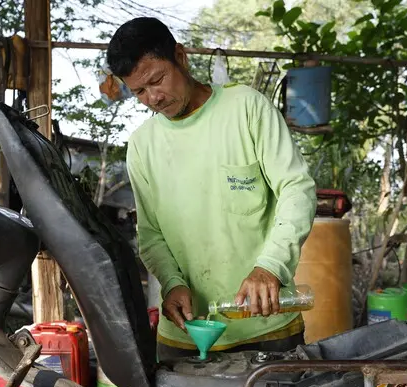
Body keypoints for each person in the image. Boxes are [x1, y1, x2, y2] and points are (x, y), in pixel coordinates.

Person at [107, 17, 317, 361]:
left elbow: (297, 190)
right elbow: (151, 234)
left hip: (265, 324)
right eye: (140, 91)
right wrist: (172, 283)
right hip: (184, 334)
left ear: (181, 56)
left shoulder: (247, 109)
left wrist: (270, 266)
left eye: (157, 79)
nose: (153, 97)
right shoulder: (143, 146)